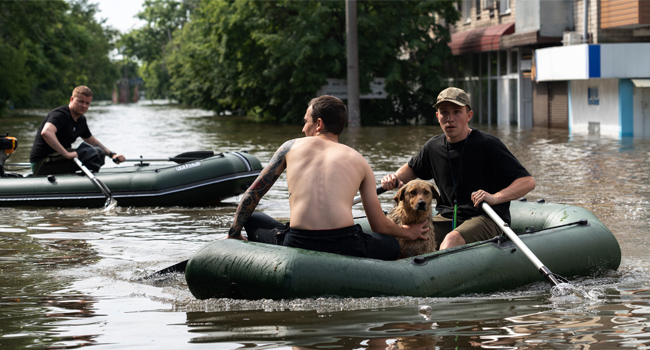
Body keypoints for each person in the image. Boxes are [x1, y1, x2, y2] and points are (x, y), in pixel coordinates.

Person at [227, 95, 429, 260]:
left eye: (306, 121)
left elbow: (252, 195)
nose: (303, 128)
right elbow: (379, 226)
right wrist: (408, 232)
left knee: (252, 218)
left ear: (319, 124)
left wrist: (234, 233)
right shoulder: (360, 161)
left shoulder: (289, 147)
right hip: (345, 244)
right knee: (391, 245)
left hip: (298, 241)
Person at [381, 87, 535, 251]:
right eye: (444, 112)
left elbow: (527, 181)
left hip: (486, 217)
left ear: (469, 115)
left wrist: (494, 197)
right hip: (447, 216)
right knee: (403, 234)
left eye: (456, 112)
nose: (450, 119)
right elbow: (409, 170)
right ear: (437, 116)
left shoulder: (488, 144)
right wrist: (393, 178)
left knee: (451, 240)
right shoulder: (433, 147)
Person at [29, 86, 125, 176]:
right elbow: (46, 132)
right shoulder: (60, 115)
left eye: (87, 103)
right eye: (80, 101)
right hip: (42, 163)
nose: (84, 105)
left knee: (98, 153)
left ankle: (86, 179)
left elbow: (93, 141)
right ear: (71, 99)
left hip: (57, 158)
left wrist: (112, 155)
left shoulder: (81, 120)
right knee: (89, 153)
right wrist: (66, 154)